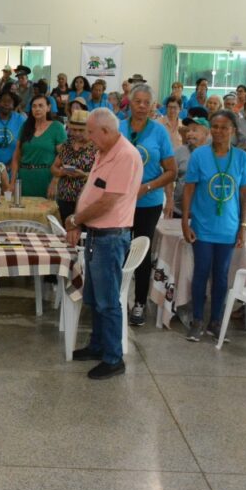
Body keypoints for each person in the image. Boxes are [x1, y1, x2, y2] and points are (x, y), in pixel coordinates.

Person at [64, 109, 143, 380]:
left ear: (106, 132)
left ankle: (113, 358)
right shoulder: (104, 151)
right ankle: (98, 346)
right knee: (95, 298)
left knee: (108, 301)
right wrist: (79, 221)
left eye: (91, 132)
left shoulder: (126, 156)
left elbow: (108, 202)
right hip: (97, 234)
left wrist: (75, 219)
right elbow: (91, 192)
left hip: (110, 236)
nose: (88, 137)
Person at [181, 110, 246, 342]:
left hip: (229, 227)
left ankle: (216, 321)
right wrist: (185, 220)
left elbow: (245, 194)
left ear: (233, 130)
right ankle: (197, 320)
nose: (219, 131)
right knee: (201, 271)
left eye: (224, 127)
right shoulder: (200, 155)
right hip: (203, 226)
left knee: (221, 275)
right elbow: (189, 189)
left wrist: (243, 225)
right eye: (215, 127)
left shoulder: (241, 157)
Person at [120, 85, 177, 326]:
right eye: (137, 101)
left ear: (152, 106)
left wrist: (148, 187)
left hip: (148, 201)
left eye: (146, 102)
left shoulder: (159, 132)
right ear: (129, 103)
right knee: (119, 250)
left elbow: (171, 171)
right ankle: (117, 300)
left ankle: (140, 303)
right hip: (120, 201)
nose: (142, 106)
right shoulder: (119, 128)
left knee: (141, 253)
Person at [12, 95, 68, 198]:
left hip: (46, 178)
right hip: (25, 178)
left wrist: (55, 180)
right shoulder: (25, 127)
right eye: (34, 106)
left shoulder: (57, 127)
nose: (37, 109)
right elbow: (16, 156)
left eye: (41, 106)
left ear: (48, 108)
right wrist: (13, 182)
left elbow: (64, 156)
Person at [50, 109, 95, 220]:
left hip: (86, 200)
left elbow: (103, 176)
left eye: (81, 130)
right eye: (74, 130)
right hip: (64, 198)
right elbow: (54, 167)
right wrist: (62, 172)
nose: (77, 133)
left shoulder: (96, 147)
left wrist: (83, 174)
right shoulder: (68, 144)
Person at [165, 114, 210, 218]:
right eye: (188, 130)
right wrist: (169, 200)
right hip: (178, 211)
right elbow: (169, 178)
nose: (189, 134)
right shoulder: (179, 151)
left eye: (194, 130)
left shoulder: (213, 154)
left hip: (203, 213)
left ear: (206, 133)